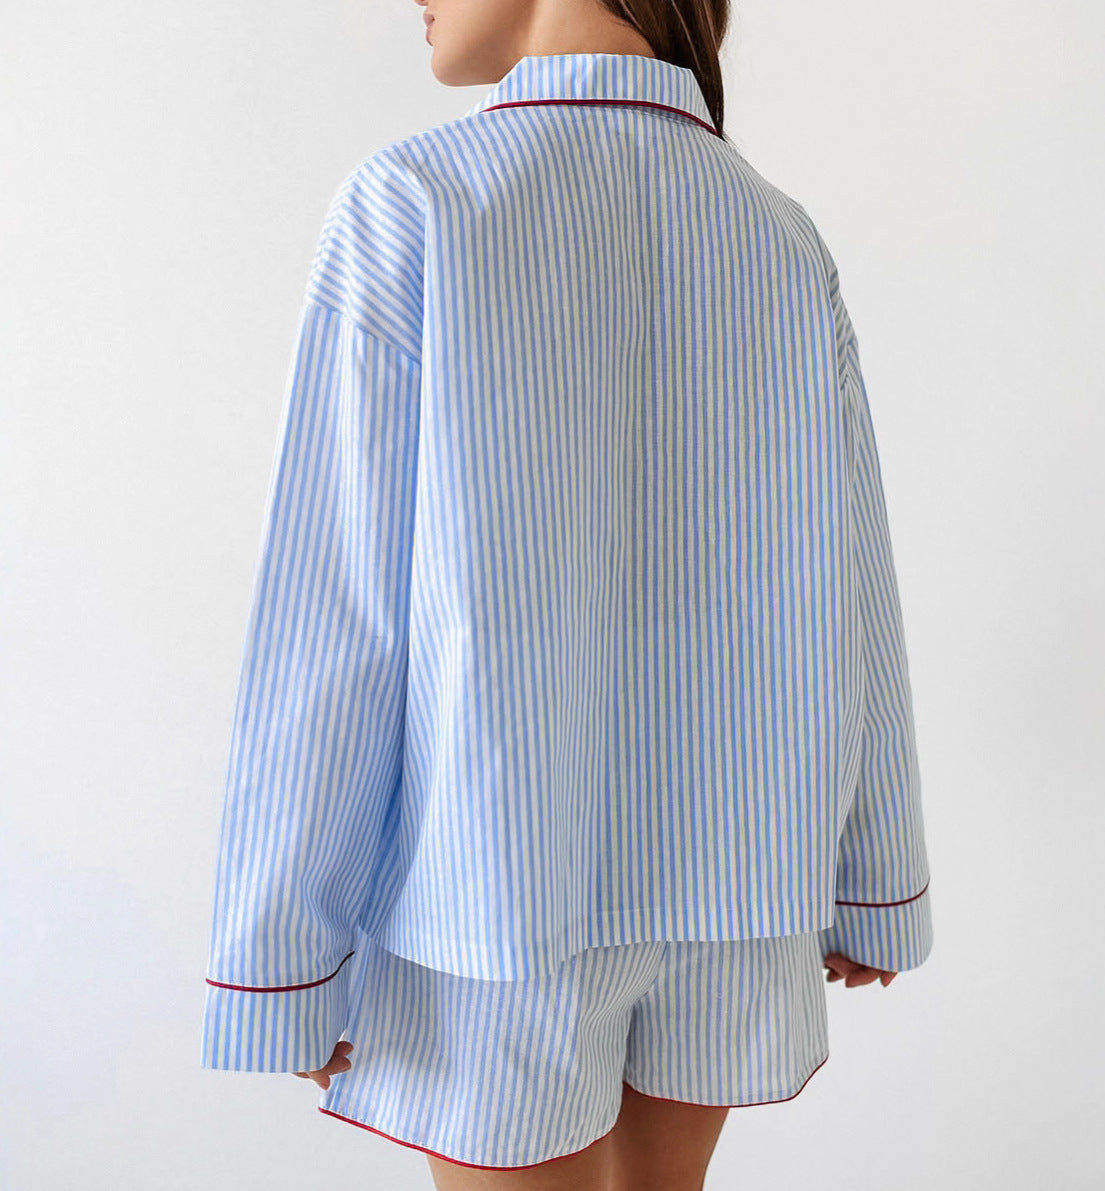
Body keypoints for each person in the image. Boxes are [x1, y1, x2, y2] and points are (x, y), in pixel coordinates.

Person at [200, 0, 933, 1187]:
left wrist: (282, 953)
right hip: (741, 885)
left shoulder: (420, 201)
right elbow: (856, 587)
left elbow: (335, 619)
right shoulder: (776, 231)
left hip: (500, 894)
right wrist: (876, 874)